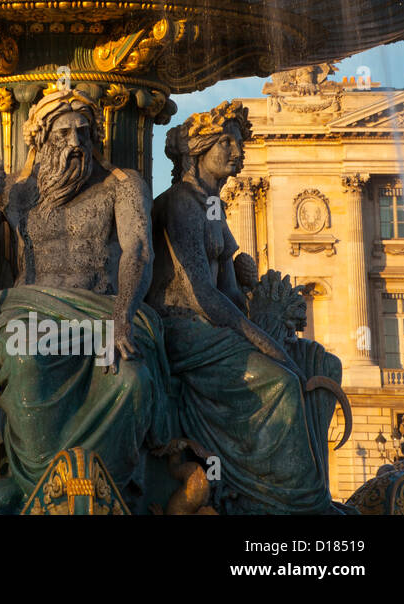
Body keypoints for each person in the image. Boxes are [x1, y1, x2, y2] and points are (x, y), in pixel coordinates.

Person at [0, 89, 172, 511]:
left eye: (82, 134)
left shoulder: (122, 185)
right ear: (41, 139)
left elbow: (138, 250)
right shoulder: (14, 193)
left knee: (131, 381)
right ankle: (40, 490)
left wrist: (124, 314)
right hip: (33, 310)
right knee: (26, 359)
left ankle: (110, 494)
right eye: (62, 133)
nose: (73, 144)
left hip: (103, 309)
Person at [148, 101, 340, 513]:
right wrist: (260, 340)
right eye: (227, 144)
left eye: (239, 144)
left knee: (309, 363)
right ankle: (290, 499)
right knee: (281, 382)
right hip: (182, 328)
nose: (238, 153)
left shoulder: (212, 206)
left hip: (212, 327)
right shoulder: (181, 203)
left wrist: (244, 283)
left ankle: (292, 490)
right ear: (198, 150)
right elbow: (200, 293)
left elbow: (228, 295)